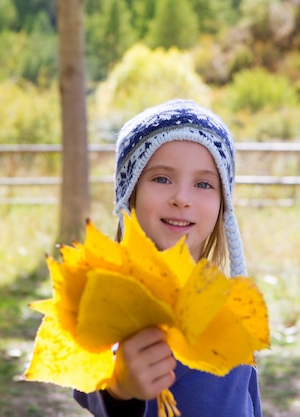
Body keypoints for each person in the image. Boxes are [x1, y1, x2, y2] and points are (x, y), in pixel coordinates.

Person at [73, 99, 262, 417]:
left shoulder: (226, 302)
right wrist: (123, 387)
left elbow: (245, 399)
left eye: (203, 184)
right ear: (130, 193)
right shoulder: (117, 299)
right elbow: (96, 380)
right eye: (162, 178)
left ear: (222, 205)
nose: (181, 199)